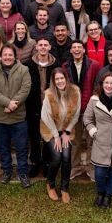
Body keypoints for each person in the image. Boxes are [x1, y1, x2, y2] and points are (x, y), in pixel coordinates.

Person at [0, 44, 32, 188]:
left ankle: (23, 173)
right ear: (1, 56)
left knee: (21, 147)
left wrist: (13, 105)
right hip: (0, 117)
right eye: (5, 55)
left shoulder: (24, 70)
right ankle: (6, 171)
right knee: (3, 147)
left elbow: (25, 89)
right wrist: (7, 103)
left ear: (15, 56)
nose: (7, 57)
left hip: (18, 117)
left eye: (10, 55)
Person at [84, 72, 112, 208]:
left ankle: (109, 195)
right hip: (100, 141)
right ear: (102, 84)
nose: (109, 85)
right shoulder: (94, 100)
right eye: (106, 83)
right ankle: (100, 193)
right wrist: (93, 132)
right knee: (100, 172)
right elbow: (87, 118)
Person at [62, 40, 102, 180]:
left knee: (92, 141)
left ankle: (92, 168)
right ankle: (76, 167)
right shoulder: (65, 66)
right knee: (75, 140)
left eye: (80, 47)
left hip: (90, 109)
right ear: (71, 51)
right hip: (73, 110)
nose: (77, 49)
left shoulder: (94, 65)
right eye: (74, 47)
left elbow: (98, 87)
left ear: (84, 50)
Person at [41, 68, 81, 203]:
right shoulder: (49, 94)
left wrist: (66, 131)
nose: (59, 81)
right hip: (50, 129)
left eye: (61, 78)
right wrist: (56, 135)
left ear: (66, 78)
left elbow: (76, 114)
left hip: (66, 130)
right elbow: (45, 117)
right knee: (57, 157)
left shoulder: (75, 91)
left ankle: (64, 188)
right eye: (56, 79)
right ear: (53, 81)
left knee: (66, 157)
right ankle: (50, 184)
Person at [23, 38, 60, 178]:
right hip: (33, 106)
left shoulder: (56, 64)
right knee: (34, 136)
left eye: (46, 45)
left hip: (50, 107)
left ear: (49, 47)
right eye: (40, 45)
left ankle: (46, 163)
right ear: (36, 47)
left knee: (47, 136)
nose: (43, 47)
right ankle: (35, 163)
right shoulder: (28, 65)